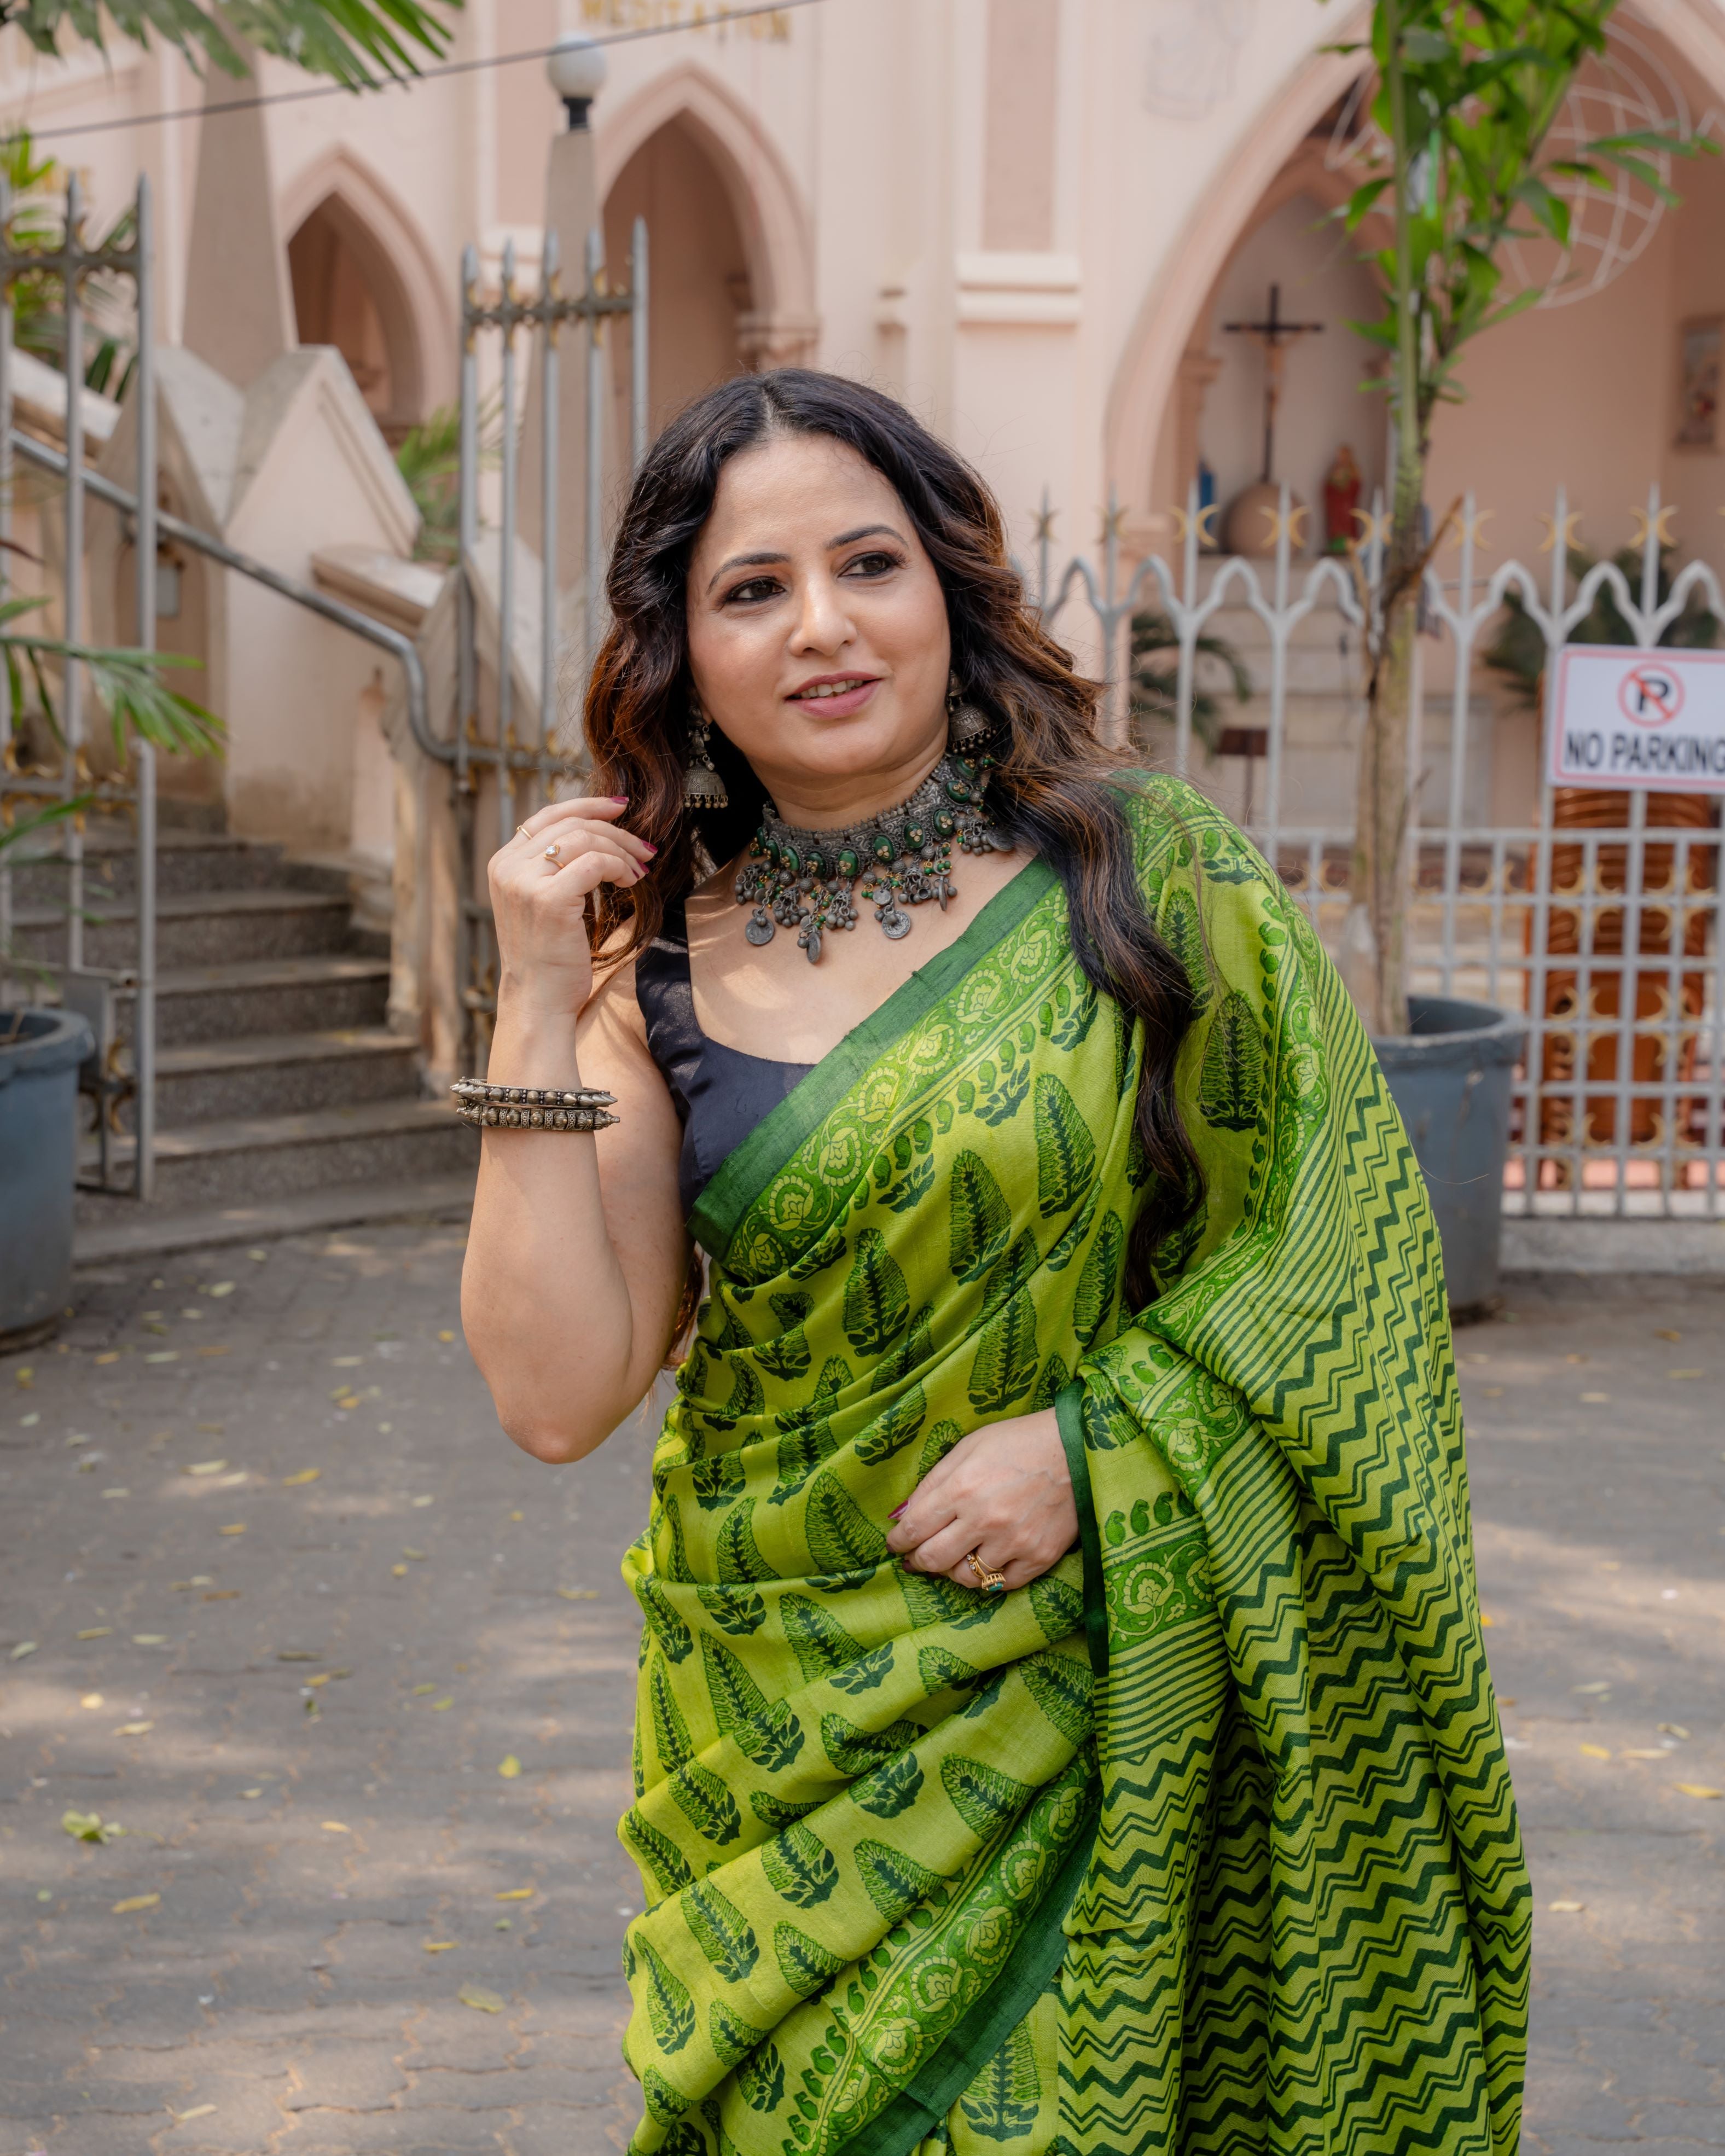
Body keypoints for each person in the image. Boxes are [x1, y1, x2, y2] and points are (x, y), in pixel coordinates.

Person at [461, 371, 1529, 2156]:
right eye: (749, 589)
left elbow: (1339, 1249)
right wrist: (522, 991)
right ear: (682, 651)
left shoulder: (1139, 875)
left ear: (947, 588)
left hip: (1103, 1699)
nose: (822, 626)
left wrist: (1097, 1448)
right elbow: (557, 1395)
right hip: (785, 1744)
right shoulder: (646, 975)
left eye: (866, 563)